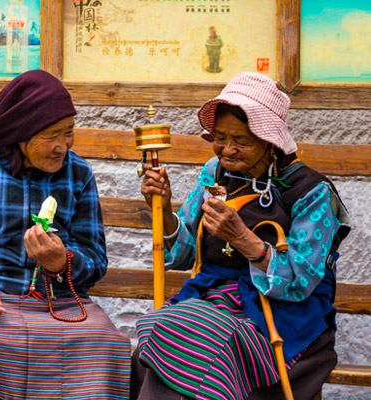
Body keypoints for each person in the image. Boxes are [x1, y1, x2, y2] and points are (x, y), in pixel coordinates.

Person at [131, 72, 351, 400]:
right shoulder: (214, 173)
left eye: (242, 141)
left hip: (280, 315)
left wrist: (243, 239)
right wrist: (161, 209)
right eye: (220, 137)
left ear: (269, 139)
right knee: (158, 331)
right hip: (211, 299)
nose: (228, 150)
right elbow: (182, 255)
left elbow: (300, 283)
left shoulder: (312, 192)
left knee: (202, 341)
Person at [0, 69, 132, 400]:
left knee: (103, 341)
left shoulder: (78, 173)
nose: (63, 146)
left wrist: (61, 262)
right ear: (21, 134)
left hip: (60, 301)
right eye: (53, 135)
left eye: (69, 133)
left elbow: (95, 258)